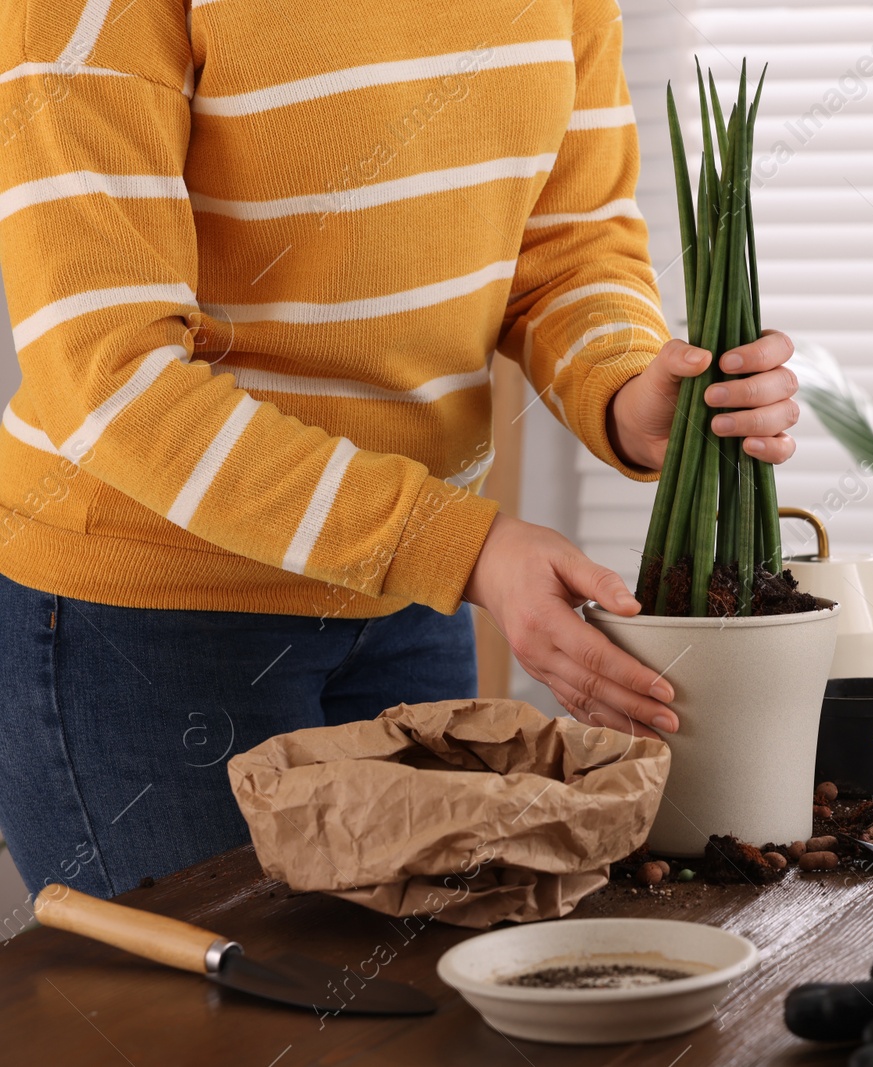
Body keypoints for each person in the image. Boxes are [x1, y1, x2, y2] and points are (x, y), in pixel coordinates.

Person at [0, 0, 800, 898]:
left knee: (416, 1018)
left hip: (408, 602)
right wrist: (456, 544)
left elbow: (568, 247)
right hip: (151, 622)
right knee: (221, 1027)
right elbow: (109, 377)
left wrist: (624, 391)